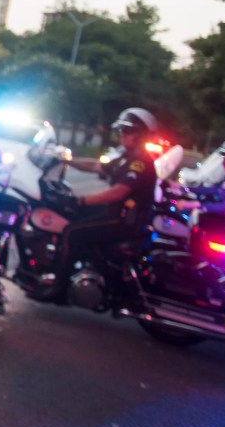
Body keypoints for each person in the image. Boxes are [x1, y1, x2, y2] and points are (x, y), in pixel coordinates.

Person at [50, 107, 160, 296]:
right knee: (71, 217)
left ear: (140, 135)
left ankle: (58, 289)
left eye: (127, 130)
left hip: (124, 221)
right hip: (115, 215)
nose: (122, 134)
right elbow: (96, 166)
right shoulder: (126, 157)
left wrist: (82, 201)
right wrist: (67, 161)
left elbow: (118, 192)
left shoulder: (140, 162)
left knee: (71, 232)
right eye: (121, 130)